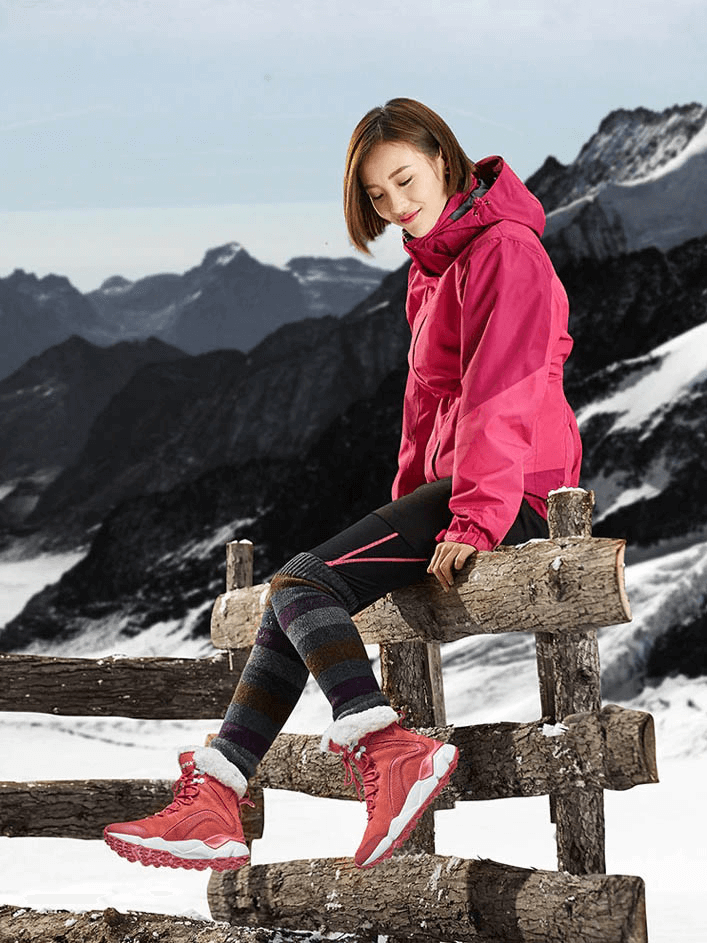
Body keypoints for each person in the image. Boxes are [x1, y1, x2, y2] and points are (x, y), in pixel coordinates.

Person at [103, 98, 581, 873]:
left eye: (404, 179)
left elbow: (504, 388)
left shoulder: (503, 251)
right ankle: (218, 795)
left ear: (442, 157)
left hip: (509, 488)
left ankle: (388, 750)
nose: (396, 204)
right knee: (293, 607)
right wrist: (398, 508)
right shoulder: (434, 263)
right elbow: (424, 405)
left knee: (297, 584)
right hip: (456, 489)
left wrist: (474, 518)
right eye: (377, 196)